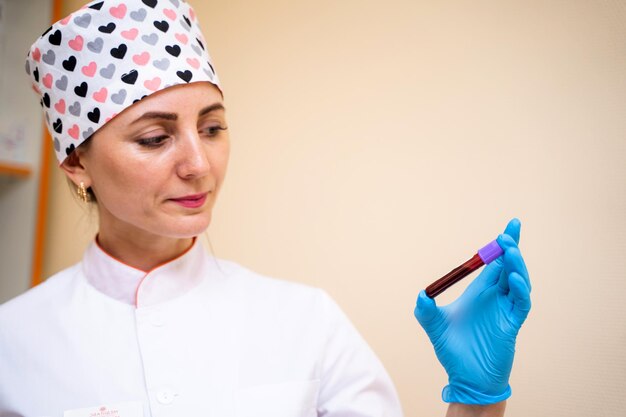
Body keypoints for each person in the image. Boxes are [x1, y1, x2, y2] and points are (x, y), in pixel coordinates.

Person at [0, 1, 531, 416]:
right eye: (156, 137)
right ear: (76, 164)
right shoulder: (15, 344)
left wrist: (476, 404)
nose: (198, 165)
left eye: (212, 129)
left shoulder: (307, 322)